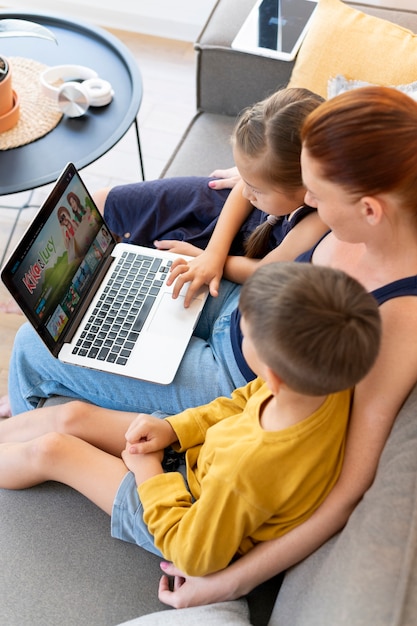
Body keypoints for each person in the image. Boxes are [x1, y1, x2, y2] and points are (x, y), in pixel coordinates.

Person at [153, 86, 417, 608]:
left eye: (316, 193)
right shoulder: (375, 191)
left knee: (38, 350)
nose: (307, 203)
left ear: (369, 208)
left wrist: (232, 582)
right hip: (248, 315)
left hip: (242, 384)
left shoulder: (401, 319)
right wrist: (252, 186)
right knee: (123, 285)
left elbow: (348, 488)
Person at [0, 262, 381, 578]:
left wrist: (150, 472)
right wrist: (173, 428)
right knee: (73, 416)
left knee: (55, 449)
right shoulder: (323, 385)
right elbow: (240, 401)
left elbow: (191, 552)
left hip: (181, 511)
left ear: (273, 375)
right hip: (197, 456)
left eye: (243, 331)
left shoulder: (246, 472)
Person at [4, 87, 329, 417]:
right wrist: (212, 254)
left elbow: (270, 271)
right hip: (234, 308)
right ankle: (35, 384)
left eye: (257, 188)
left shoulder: (319, 220)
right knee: (137, 274)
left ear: (307, 187)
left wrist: (218, 259)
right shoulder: (317, 183)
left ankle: (28, 396)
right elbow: (243, 189)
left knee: (30, 346)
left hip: (230, 373)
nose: (246, 188)